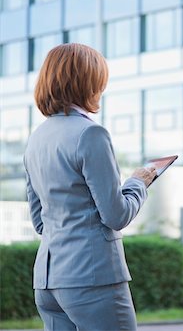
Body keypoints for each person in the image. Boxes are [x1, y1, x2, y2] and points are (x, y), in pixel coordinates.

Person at [24, 43, 156, 331]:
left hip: (47, 282)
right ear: (88, 83)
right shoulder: (91, 133)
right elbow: (116, 215)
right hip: (93, 279)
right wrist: (139, 182)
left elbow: (39, 220)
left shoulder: (36, 139)